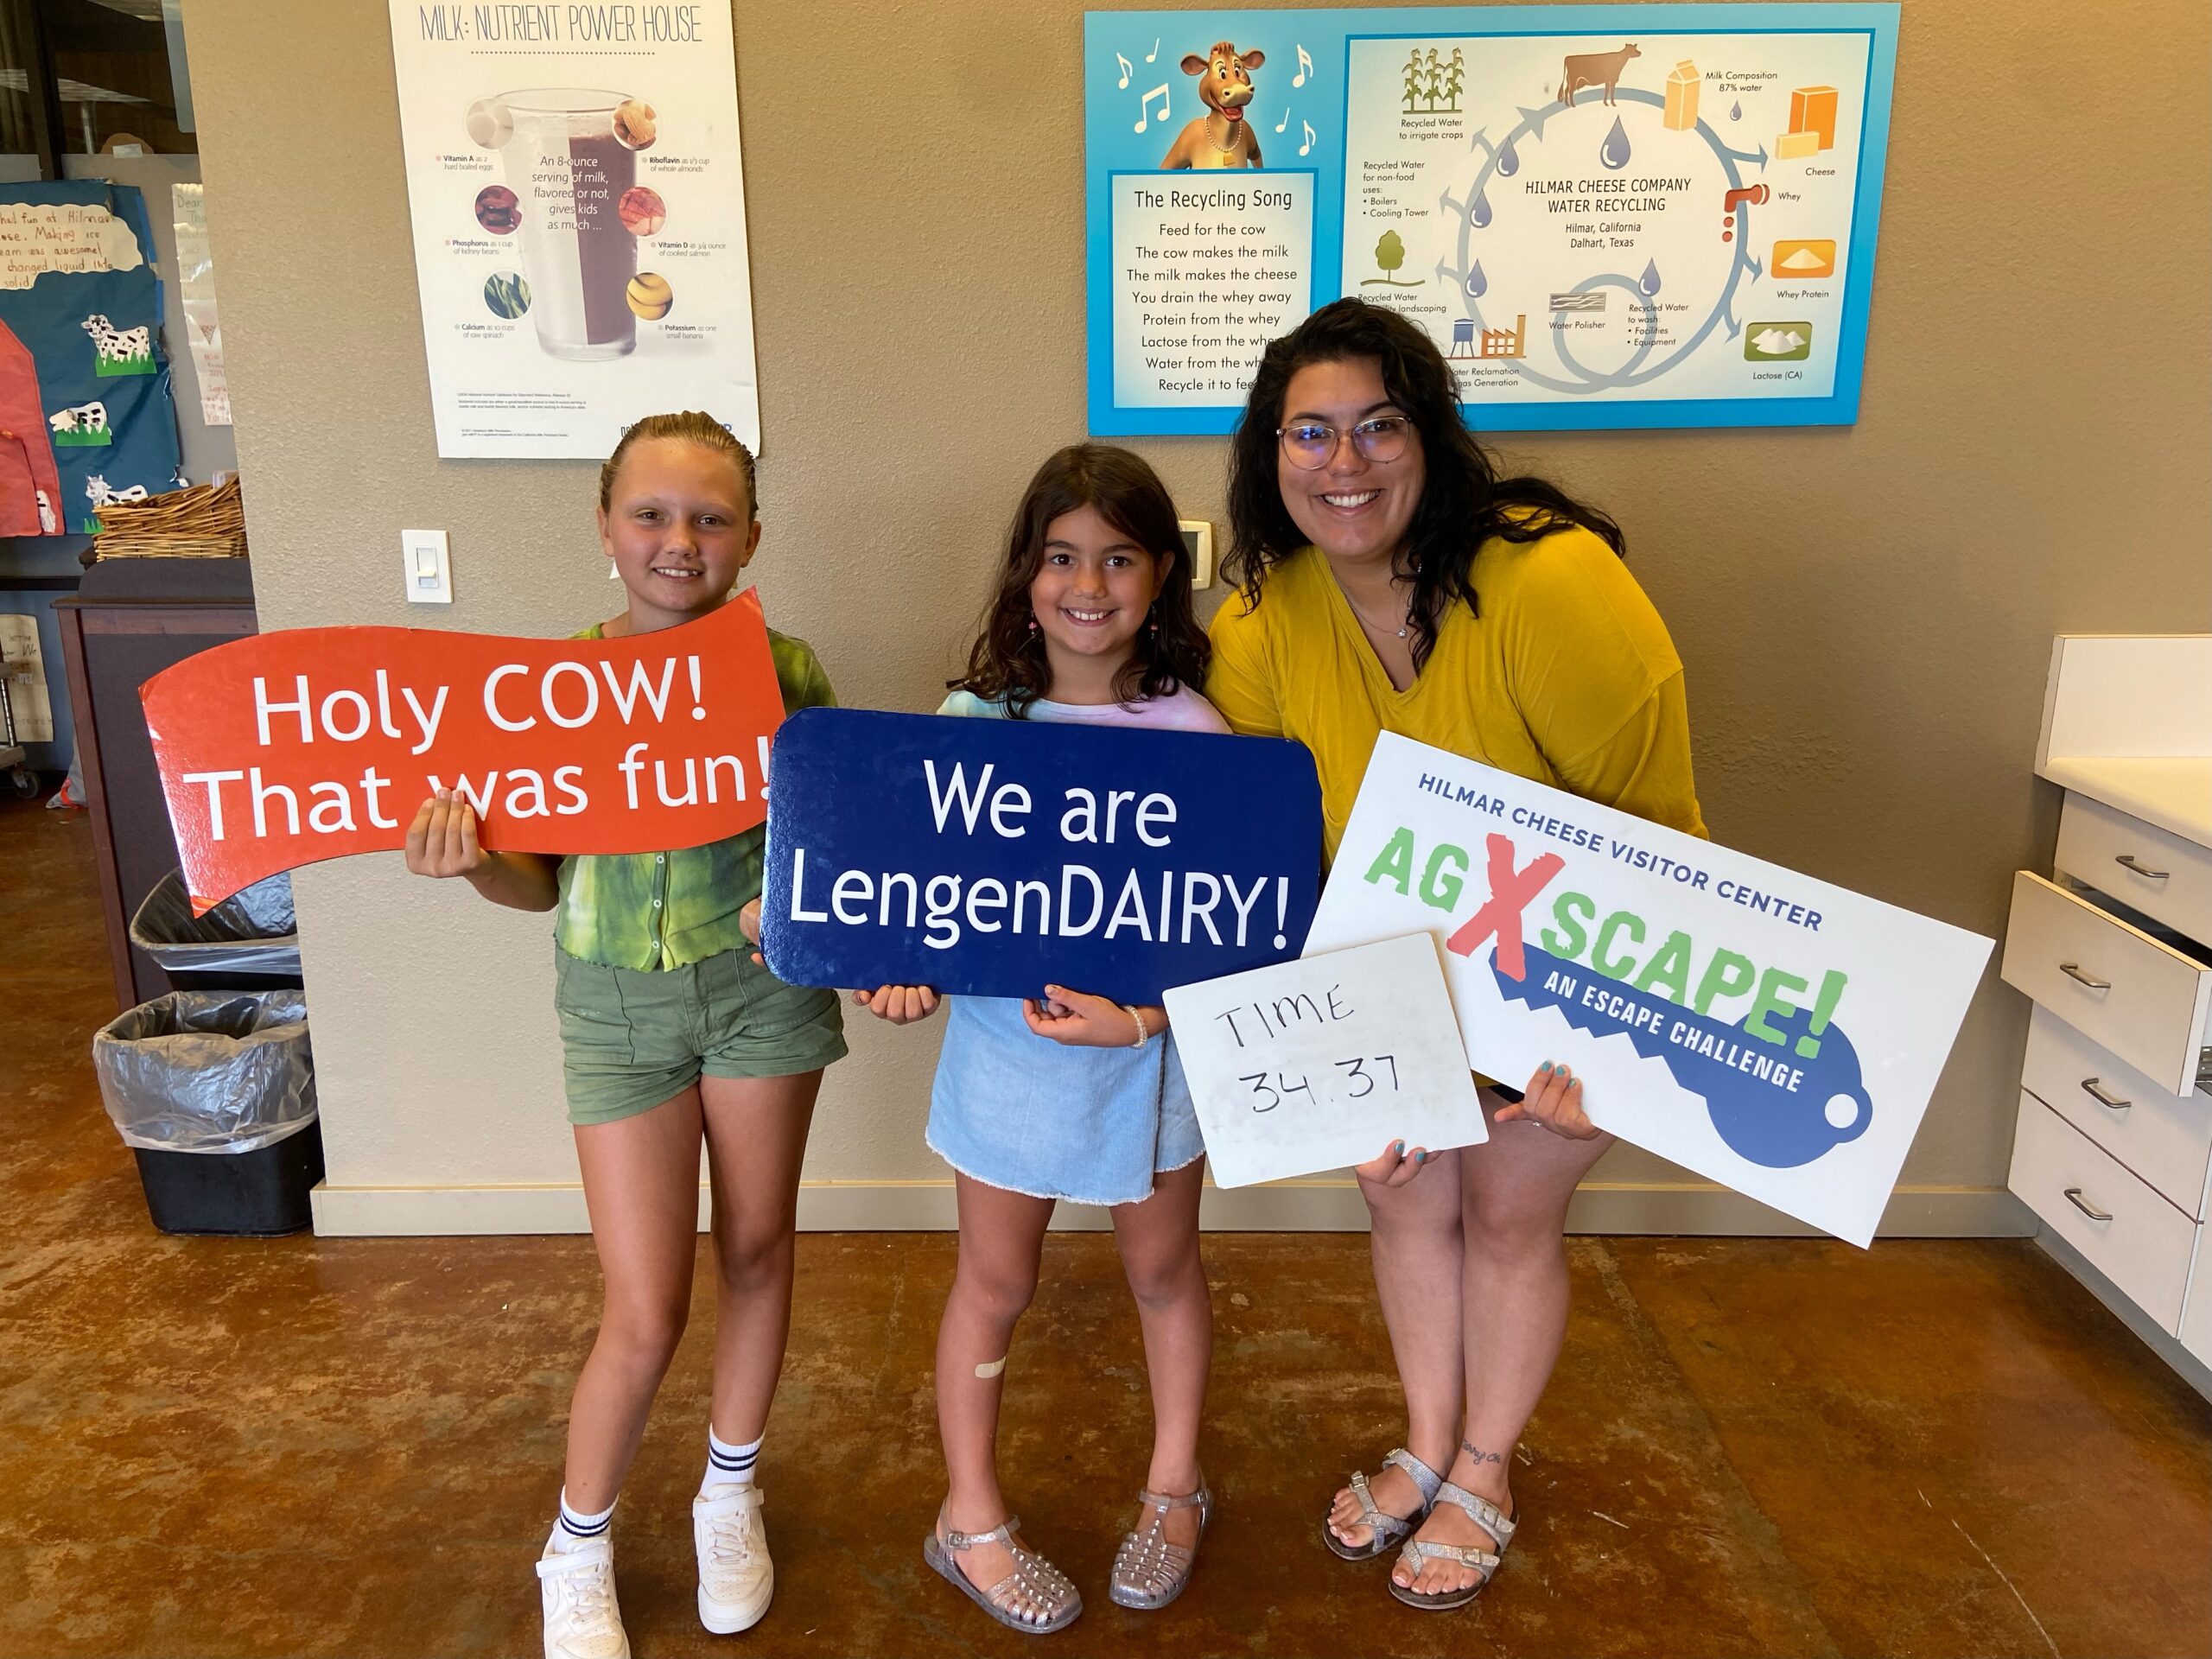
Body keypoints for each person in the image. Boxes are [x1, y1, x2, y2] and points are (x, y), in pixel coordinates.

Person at [1206, 299, 1707, 1611]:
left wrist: (1603, 1042)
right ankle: (1427, 1438)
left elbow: (1658, 841)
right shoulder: (1263, 622)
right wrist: (1331, 1063)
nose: (1344, 462)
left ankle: (1486, 1466)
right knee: (1405, 1198)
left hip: (1574, 994)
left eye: (1379, 425)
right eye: (1308, 433)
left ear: (1431, 436)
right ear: (1271, 458)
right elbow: (1275, 868)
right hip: (1386, 989)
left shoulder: (1552, 584)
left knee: (1507, 1213)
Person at [403, 411, 846, 1659]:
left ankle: (730, 1490)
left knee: (758, 1250)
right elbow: (537, 882)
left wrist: (796, 901)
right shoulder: (549, 689)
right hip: (613, 1005)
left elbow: (833, 851)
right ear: (605, 528)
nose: (679, 540)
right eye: (651, 514)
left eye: (711, 516)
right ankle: (578, 1542)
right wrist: (473, 860)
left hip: (762, 996)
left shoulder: (791, 670)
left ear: (751, 537)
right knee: (643, 1306)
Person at [858, 444, 1227, 1634]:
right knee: (995, 1281)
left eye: (1119, 558)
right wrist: (899, 968)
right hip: (1006, 1057)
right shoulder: (969, 722)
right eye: (1062, 556)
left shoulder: (1198, 731)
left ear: (1162, 575)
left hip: (1154, 1063)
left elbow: (1231, 926)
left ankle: (1175, 1489)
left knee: (1164, 1273)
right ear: (1025, 576)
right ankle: (968, 1516)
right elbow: (917, 888)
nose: (1088, 583)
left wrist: (1149, 1015)